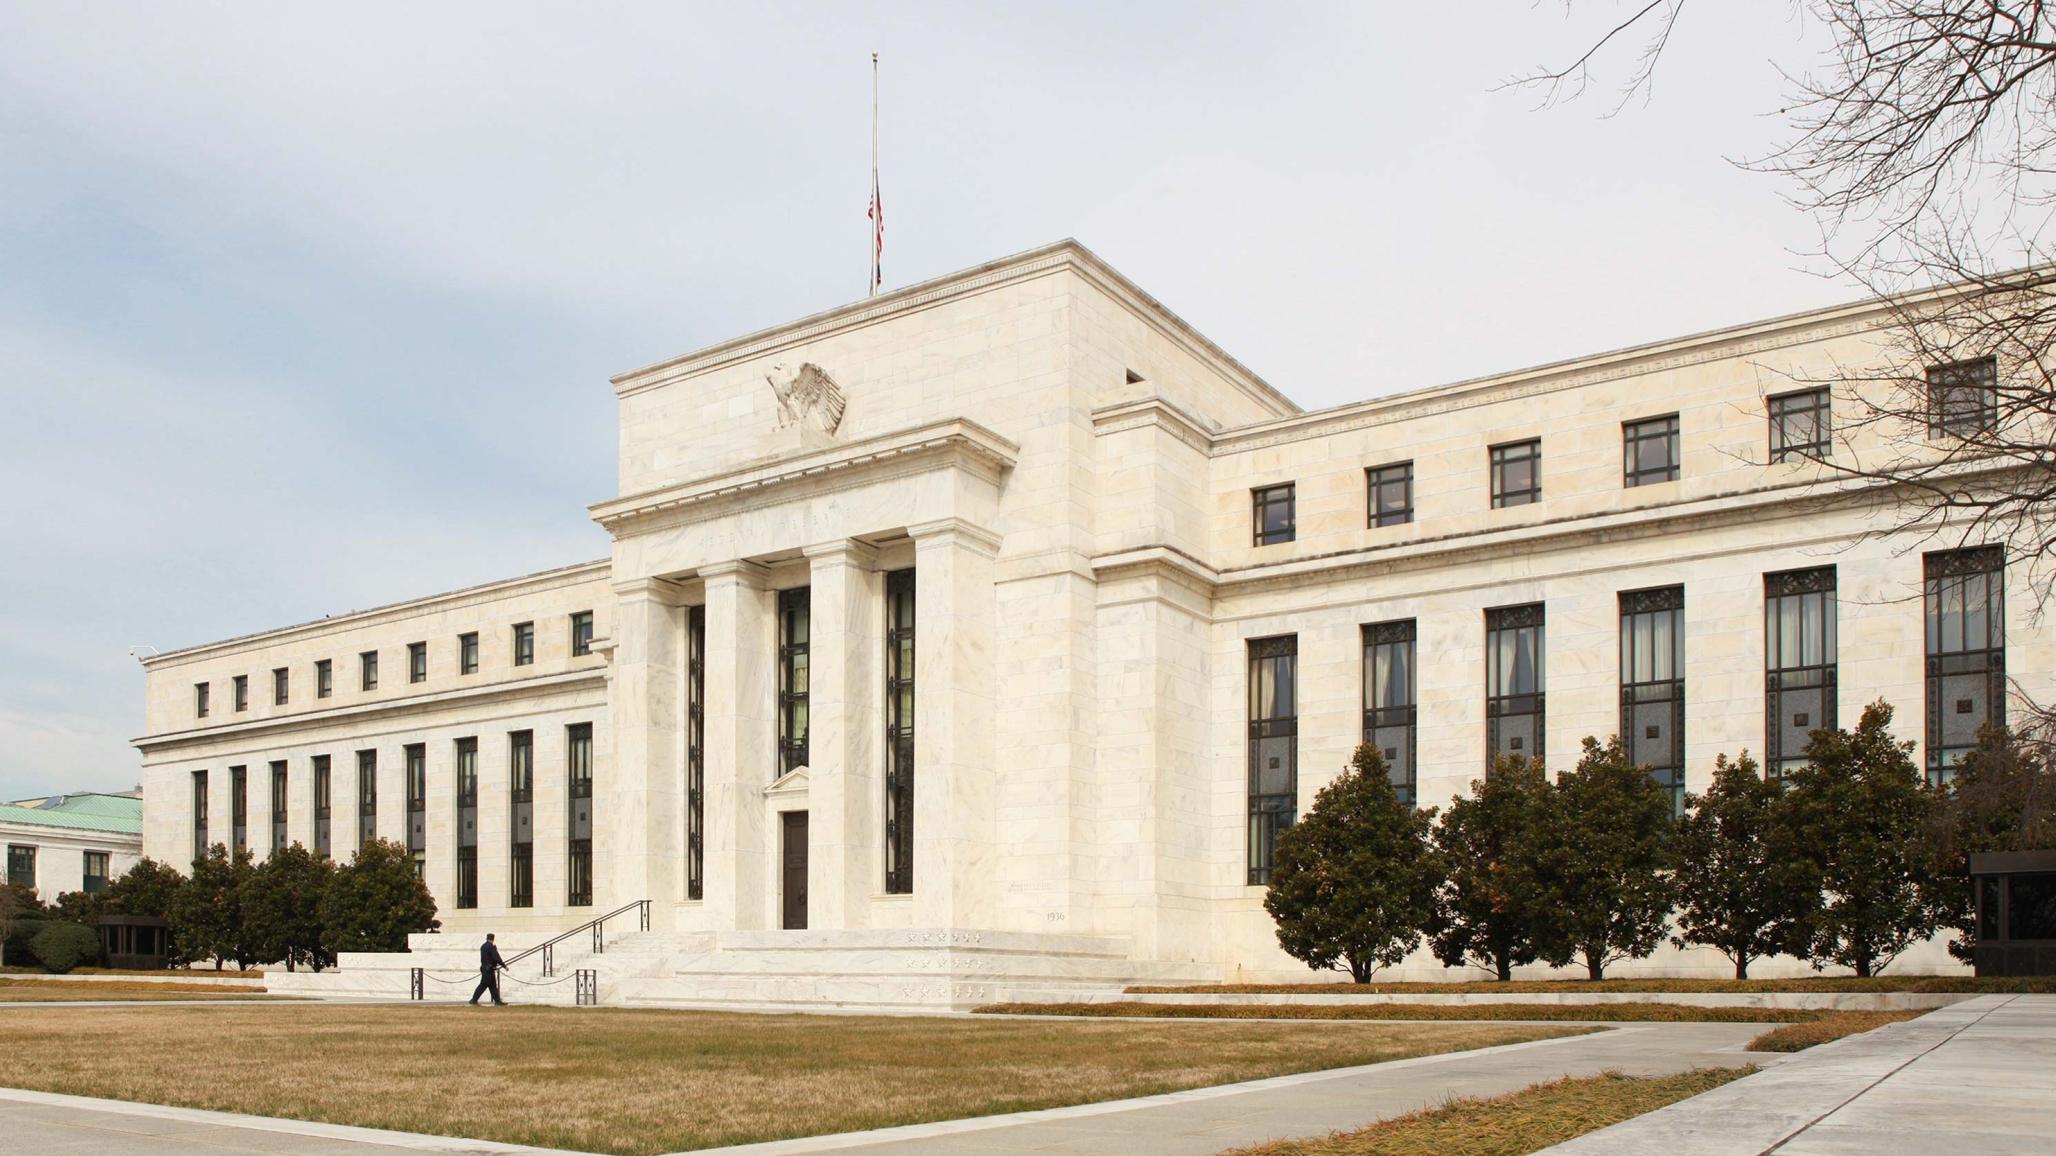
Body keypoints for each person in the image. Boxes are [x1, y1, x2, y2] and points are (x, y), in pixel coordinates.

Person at [470, 933, 506, 1006]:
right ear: (493, 939)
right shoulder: (491, 947)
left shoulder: (483, 946)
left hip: (485, 968)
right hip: (489, 969)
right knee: (483, 985)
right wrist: (504, 965)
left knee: (493, 986)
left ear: (487, 938)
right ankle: (473, 1000)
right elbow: (496, 957)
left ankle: (497, 1001)